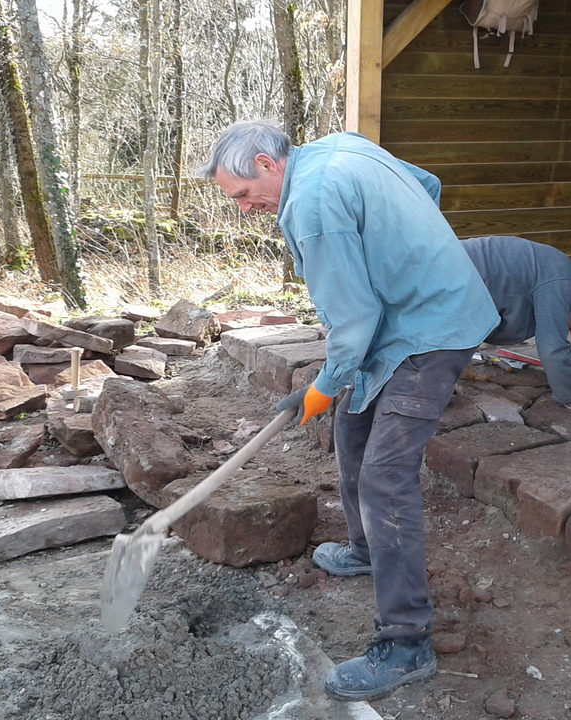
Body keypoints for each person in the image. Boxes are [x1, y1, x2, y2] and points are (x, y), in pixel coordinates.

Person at [201, 120, 500, 701]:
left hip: (432, 331)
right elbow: (427, 185)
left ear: (266, 163)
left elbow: (355, 319)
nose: (243, 208)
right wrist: (400, 253)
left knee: (386, 477)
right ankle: (366, 550)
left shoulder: (312, 206)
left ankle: (406, 643)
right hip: (402, 322)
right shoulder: (339, 147)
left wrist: (322, 386)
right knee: (353, 428)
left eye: (243, 194)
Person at [461, 235, 571, 408]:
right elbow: (552, 348)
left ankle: (456, 369)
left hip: (456, 265)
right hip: (453, 271)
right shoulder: (560, 281)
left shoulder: (555, 271)